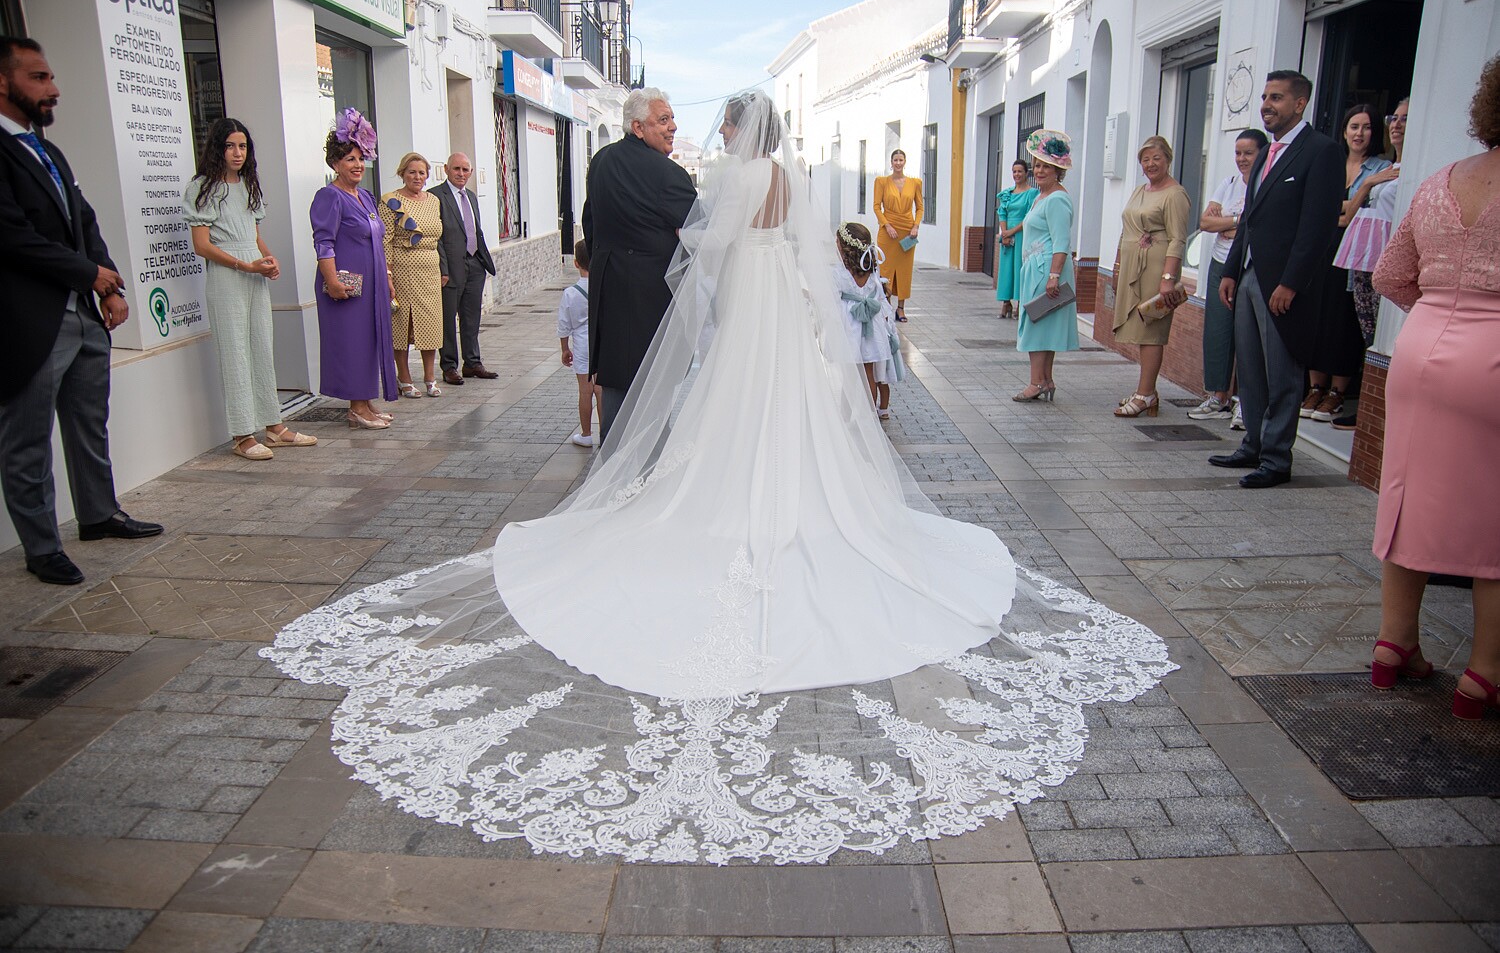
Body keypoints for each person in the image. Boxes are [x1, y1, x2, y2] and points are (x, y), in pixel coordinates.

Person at [261, 89, 1174, 866]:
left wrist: (701, 290)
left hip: (747, 308)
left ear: (740, 131)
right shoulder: (793, 179)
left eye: (726, 125)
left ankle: (718, 505)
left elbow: (708, 251)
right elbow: (806, 257)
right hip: (784, 310)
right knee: (790, 413)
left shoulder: (733, 179)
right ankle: (801, 509)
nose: (717, 135)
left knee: (727, 412)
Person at [0, 37, 162, 585]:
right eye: (39, 78)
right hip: (30, 321)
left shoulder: (47, 150)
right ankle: (41, 547)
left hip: (85, 314)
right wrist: (87, 274)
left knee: (89, 422)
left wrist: (108, 283)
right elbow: (13, 237)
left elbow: (84, 221)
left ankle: (97, 515)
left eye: (50, 77)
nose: (54, 88)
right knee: (27, 441)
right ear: (3, 81)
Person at [1369, 56, 1500, 719]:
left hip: (1419, 350)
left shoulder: (1439, 181)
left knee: (1406, 494)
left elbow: (1389, 275)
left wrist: (1442, 309)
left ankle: (1394, 644)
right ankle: (1484, 674)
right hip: (1492, 355)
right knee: (1494, 514)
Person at [1210, 70, 1344, 489]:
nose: (1267, 105)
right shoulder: (1267, 152)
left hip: (1283, 284)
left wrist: (1291, 282)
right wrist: (1231, 270)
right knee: (1250, 369)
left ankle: (1276, 458)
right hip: (1249, 276)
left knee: (1282, 373)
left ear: (1300, 104)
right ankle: (1252, 444)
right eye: (1265, 97)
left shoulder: (1321, 151)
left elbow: (1317, 227)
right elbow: (1250, 219)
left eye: (1277, 98)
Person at [184, 118, 315, 461]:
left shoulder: (248, 185)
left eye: (242, 146)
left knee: (261, 348)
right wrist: (245, 265)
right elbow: (201, 245)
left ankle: (274, 426)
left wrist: (268, 259)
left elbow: (254, 235)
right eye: (230, 146)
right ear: (218, 149)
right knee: (235, 353)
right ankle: (242, 435)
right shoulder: (202, 188)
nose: (237, 152)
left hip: (254, 274)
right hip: (227, 277)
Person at [582, 87, 697, 441]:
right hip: (651, 299)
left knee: (616, 388)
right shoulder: (668, 174)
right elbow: (698, 234)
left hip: (609, 295)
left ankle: (612, 460)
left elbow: (590, 225)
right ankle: (645, 465)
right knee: (653, 389)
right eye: (663, 120)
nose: (673, 127)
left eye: (672, 119)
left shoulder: (600, 162)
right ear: (637, 127)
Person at [1302, 104, 1391, 424]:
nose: (1359, 133)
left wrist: (1346, 203)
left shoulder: (1383, 168)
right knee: (1318, 318)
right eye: (1354, 126)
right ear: (1344, 131)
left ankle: (1337, 393)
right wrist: (1352, 201)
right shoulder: (1331, 162)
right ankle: (1315, 388)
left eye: (1366, 127)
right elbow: (1314, 207)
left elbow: (1354, 215)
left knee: (1343, 322)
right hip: (1322, 252)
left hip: (1356, 254)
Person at [310, 108, 398, 430]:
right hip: (346, 286)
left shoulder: (365, 197)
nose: (358, 165)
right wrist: (332, 281)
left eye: (361, 158)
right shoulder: (329, 196)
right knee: (352, 343)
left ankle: (365, 402)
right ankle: (356, 408)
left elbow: (378, 241)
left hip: (373, 285)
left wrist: (387, 277)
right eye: (350, 159)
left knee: (370, 342)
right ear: (336, 163)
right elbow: (324, 242)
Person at [1332, 99, 1407, 430]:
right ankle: (1366, 408)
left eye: (1405, 119)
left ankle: (1378, 411)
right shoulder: (1389, 169)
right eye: (1395, 117)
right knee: (1369, 333)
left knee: (1382, 334)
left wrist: (1365, 186)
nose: (1397, 124)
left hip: (1387, 261)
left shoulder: (1397, 169)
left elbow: (1349, 214)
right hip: (1363, 260)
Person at [1190, 128, 1268, 424]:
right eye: (1238, 153)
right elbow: (1206, 222)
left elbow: (1259, 224)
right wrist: (1239, 220)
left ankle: (1247, 403)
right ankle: (1218, 397)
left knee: (1248, 336)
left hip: (1250, 265)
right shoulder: (1229, 184)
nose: (1242, 158)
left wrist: (1232, 224)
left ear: (1263, 154)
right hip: (1220, 262)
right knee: (1218, 331)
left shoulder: (1265, 185)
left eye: (1249, 153)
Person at [1111, 136, 1192, 418]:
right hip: (1132, 266)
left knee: (1151, 332)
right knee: (1140, 331)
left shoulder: (1175, 194)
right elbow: (1126, 231)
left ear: (1168, 159)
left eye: (1156, 158)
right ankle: (1146, 390)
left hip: (1156, 269)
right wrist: (1117, 266)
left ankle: (1145, 394)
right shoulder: (1139, 190)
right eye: (1145, 159)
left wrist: (1168, 277)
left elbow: (1178, 239)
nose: (1150, 164)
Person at [1013, 130, 1079, 402]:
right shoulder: (1041, 196)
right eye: (1037, 165)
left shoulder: (1057, 199)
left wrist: (1053, 275)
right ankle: (1046, 380)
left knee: (1036, 324)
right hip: (1037, 268)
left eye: (1046, 167)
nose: (1039, 171)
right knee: (1043, 323)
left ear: (1058, 171)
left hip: (1046, 269)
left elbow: (1061, 242)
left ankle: (1036, 382)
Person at [380, 152, 447, 398]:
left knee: (431, 323)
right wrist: (387, 274)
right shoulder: (390, 201)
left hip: (430, 270)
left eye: (421, 173)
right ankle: (404, 378)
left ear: (427, 176)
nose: (417, 177)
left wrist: (444, 270)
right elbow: (385, 240)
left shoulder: (433, 201)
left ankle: (430, 377)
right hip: (403, 270)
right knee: (402, 325)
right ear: (402, 174)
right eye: (412, 172)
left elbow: (439, 239)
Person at [436, 152, 497, 386]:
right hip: (451, 267)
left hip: (474, 264)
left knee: (471, 317)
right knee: (448, 319)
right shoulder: (436, 196)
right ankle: (449, 366)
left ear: (470, 172)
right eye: (456, 169)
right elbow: (437, 237)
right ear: (446, 169)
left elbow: (474, 230)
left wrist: (482, 261)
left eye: (465, 170)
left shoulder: (470, 196)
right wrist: (443, 269)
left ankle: (472, 362)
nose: (461, 174)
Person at [834, 221, 895, 417]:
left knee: (849, 375)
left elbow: (833, 299)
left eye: (837, 242)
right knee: (869, 372)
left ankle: (845, 415)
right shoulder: (872, 270)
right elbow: (879, 297)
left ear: (845, 247)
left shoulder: (840, 272)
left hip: (851, 326)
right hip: (871, 324)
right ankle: (870, 416)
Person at [558, 238, 600, 448]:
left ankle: (586, 434)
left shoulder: (570, 293)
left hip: (582, 345)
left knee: (585, 390)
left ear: (576, 263)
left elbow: (564, 325)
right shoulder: (603, 287)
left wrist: (565, 348)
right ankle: (606, 433)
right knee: (600, 390)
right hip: (601, 342)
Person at [873, 149, 923, 322]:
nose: (898, 163)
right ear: (891, 162)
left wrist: (916, 226)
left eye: (901, 160)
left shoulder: (915, 183)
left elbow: (920, 207)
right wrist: (886, 225)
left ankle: (901, 308)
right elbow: (876, 206)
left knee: (904, 270)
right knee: (885, 269)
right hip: (888, 231)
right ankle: (886, 306)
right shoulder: (882, 182)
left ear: (905, 162)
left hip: (908, 232)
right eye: (895, 160)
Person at [995, 160, 1037, 319]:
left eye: (1020, 171)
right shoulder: (1007, 193)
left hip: (1022, 234)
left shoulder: (1032, 194)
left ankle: (1020, 303)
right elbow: (1002, 213)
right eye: (1014, 171)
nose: (1017, 174)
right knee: (1006, 268)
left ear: (1026, 173)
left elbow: (1028, 217)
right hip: (1007, 234)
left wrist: (1012, 232)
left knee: (1020, 267)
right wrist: (1004, 233)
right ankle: (1006, 302)